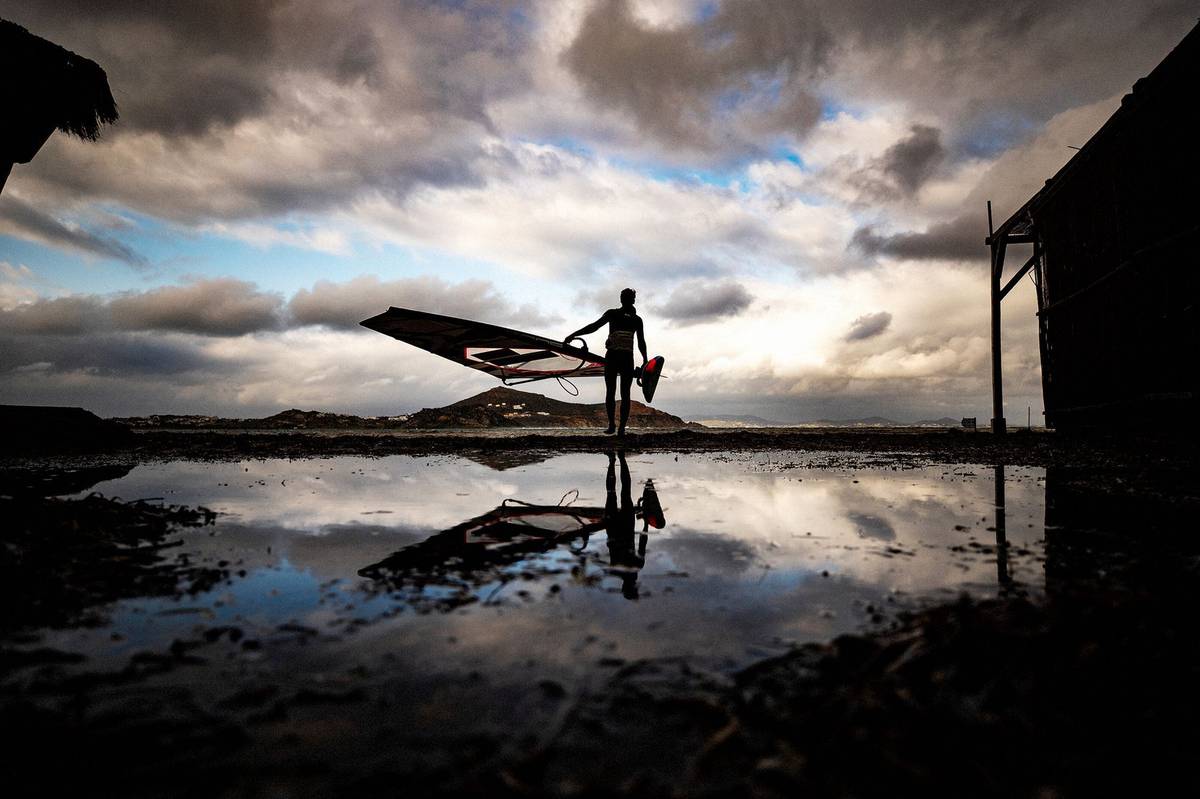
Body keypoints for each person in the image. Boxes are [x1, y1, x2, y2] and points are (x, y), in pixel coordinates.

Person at [566, 288, 647, 436]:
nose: (628, 300)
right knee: (622, 393)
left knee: (615, 392)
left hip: (617, 357)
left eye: (627, 297)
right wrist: (645, 361)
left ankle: (616, 427)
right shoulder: (624, 317)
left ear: (622, 299)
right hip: (622, 358)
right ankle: (617, 427)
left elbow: (593, 327)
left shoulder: (626, 317)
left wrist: (573, 334)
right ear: (632, 300)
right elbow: (594, 327)